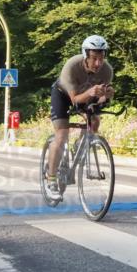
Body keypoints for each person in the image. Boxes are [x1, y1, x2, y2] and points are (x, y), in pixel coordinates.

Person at [45, 36, 115, 198]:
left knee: (95, 120)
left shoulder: (107, 70)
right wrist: (91, 92)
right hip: (63, 95)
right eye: (94, 59)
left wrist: (107, 96)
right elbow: (75, 99)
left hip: (86, 96)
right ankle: (51, 179)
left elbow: (100, 100)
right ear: (85, 56)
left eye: (101, 59)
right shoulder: (72, 66)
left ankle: (79, 146)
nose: (98, 64)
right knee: (62, 136)